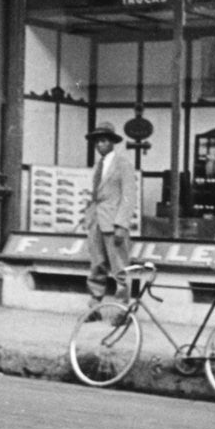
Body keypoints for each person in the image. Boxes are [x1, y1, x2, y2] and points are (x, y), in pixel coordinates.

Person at [83, 121, 136, 304]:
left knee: (119, 268)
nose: (99, 145)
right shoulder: (99, 165)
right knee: (97, 265)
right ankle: (94, 304)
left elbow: (129, 196)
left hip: (113, 223)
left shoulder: (122, 163)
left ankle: (124, 309)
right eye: (97, 142)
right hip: (97, 221)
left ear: (112, 142)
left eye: (104, 141)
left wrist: (122, 224)